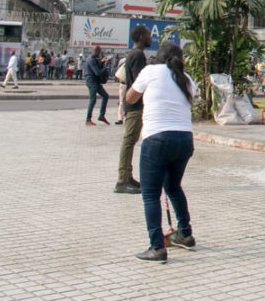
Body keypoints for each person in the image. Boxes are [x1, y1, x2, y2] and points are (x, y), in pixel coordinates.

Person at [125, 42, 197, 262]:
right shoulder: (187, 79)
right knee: (173, 187)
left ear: (157, 57)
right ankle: (185, 234)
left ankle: (157, 247)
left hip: (157, 138)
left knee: (150, 194)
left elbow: (130, 97)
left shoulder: (150, 71)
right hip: (184, 139)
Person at [114, 26, 151, 193]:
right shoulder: (137, 55)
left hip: (134, 105)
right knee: (129, 141)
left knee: (131, 140)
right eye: (149, 35)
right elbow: (139, 82)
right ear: (142, 37)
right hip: (135, 105)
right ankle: (122, 179)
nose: (151, 38)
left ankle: (127, 176)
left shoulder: (134, 54)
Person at [84, 47, 110, 126]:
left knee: (105, 96)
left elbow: (97, 66)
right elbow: (97, 72)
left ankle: (101, 116)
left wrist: (101, 63)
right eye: (99, 52)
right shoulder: (91, 59)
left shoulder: (94, 59)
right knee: (93, 99)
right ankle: (88, 119)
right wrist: (105, 68)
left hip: (96, 81)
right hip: (91, 81)